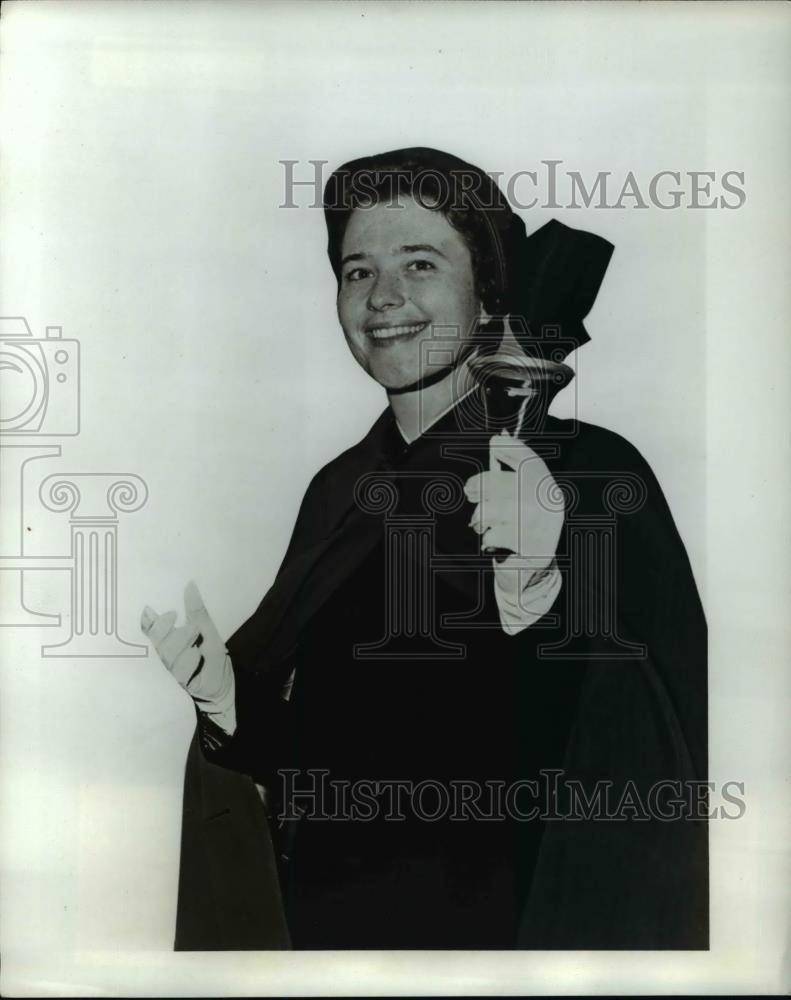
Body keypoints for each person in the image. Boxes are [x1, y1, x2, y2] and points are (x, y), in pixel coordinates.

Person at [141, 147, 708, 950]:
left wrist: (542, 578)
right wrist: (231, 707)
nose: (384, 298)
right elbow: (324, 750)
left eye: (419, 263)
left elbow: (642, 741)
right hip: (329, 934)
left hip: (499, 938)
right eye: (356, 272)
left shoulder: (587, 468)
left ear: (486, 299)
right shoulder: (341, 489)